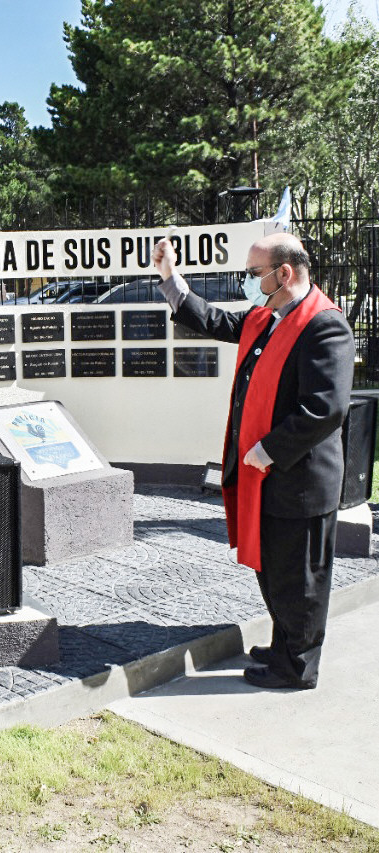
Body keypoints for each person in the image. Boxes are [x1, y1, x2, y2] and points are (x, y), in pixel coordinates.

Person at [152, 231, 355, 689]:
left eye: (252, 274)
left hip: (297, 480)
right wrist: (170, 277)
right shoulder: (269, 317)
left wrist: (267, 450)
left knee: (299, 578)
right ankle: (285, 645)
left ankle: (298, 666)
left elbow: (325, 408)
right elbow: (216, 321)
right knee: (276, 570)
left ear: (284, 274)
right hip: (267, 479)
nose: (247, 284)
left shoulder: (324, 325)